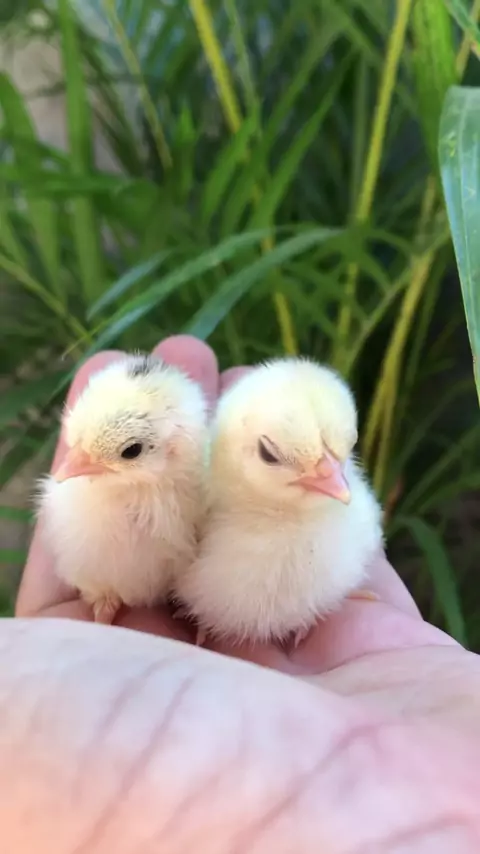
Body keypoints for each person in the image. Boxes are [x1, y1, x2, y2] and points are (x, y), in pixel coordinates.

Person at [4, 335, 480, 852]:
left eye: (340, 458)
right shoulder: (172, 507)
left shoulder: (260, 511)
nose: (337, 480)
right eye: (275, 453)